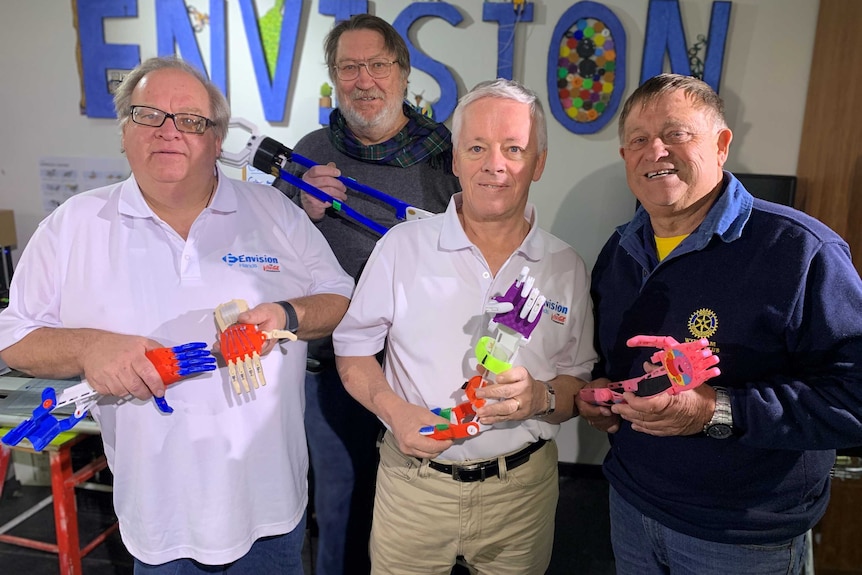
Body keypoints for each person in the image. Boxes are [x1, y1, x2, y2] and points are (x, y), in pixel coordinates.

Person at [0, 56, 354, 573]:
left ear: (217, 139)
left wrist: (286, 312)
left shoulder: (274, 212)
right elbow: (13, 337)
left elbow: (339, 297)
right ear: (124, 131)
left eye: (190, 120)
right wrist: (88, 347)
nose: (169, 132)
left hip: (271, 511)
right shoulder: (74, 226)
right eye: (148, 115)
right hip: (159, 520)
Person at [578, 73, 862, 575]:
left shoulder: (801, 251)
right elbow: (614, 363)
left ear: (722, 144)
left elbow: (854, 396)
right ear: (626, 159)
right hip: (629, 504)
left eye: (676, 133)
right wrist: (604, 394)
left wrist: (715, 409)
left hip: (742, 537)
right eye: (639, 140)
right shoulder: (620, 249)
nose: (656, 150)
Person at [333, 78, 597, 575]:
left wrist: (539, 397)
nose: (494, 165)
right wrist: (395, 410)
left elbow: (576, 386)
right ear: (455, 159)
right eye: (477, 147)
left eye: (514, 149)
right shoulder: (402, 247)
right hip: (414, 488)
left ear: (538, 163)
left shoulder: (566, 267)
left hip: (521, 496)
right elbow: (351, 350)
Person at [285, 14, 460, 575]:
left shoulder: (446, 155)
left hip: (424, 366)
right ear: (334, 79)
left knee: (427, 512)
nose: (365, 80)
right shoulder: (309, 152)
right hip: (331, 371)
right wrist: (299, 207)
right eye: (349, 67)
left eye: (378, 65)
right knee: (341, 510)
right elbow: (265, 256)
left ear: (404, 75)